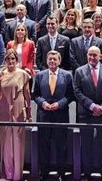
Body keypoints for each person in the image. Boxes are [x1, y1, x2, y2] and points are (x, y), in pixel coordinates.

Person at [73, 46, 102, 179]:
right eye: (90, 55)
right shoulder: (79, 71)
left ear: (101, 56)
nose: (92, 57)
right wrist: (92, 106)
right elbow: (77, 91)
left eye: (95, 55)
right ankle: (87, 173)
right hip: (86, 114)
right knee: (86, 145)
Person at [33, 51, 73, 180]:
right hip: (43, 114)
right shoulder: (40, 75)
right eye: (50, 59)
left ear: (59, 61)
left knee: (61, 145)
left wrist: (60, 104)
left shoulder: (67, 75)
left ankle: (61, 172)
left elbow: (70, 95)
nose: (52, 61)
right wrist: (43, 103)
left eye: (54, 59)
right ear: (46, 60)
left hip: (60, 115)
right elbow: (36, 95)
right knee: (43, 145)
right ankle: (44, 172)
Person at [0, 50, 32, 181]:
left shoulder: (23, 74)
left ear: (16, 60)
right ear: (5, 60)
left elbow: (27, 95)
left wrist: (29, 112)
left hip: (18, 106)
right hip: (5, 107)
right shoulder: (0, 74)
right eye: (8, 59)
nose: (10, 62)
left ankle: (17, 174)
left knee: (18, 140)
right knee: (6, 140)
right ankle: (8, 172)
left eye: (13, 59)